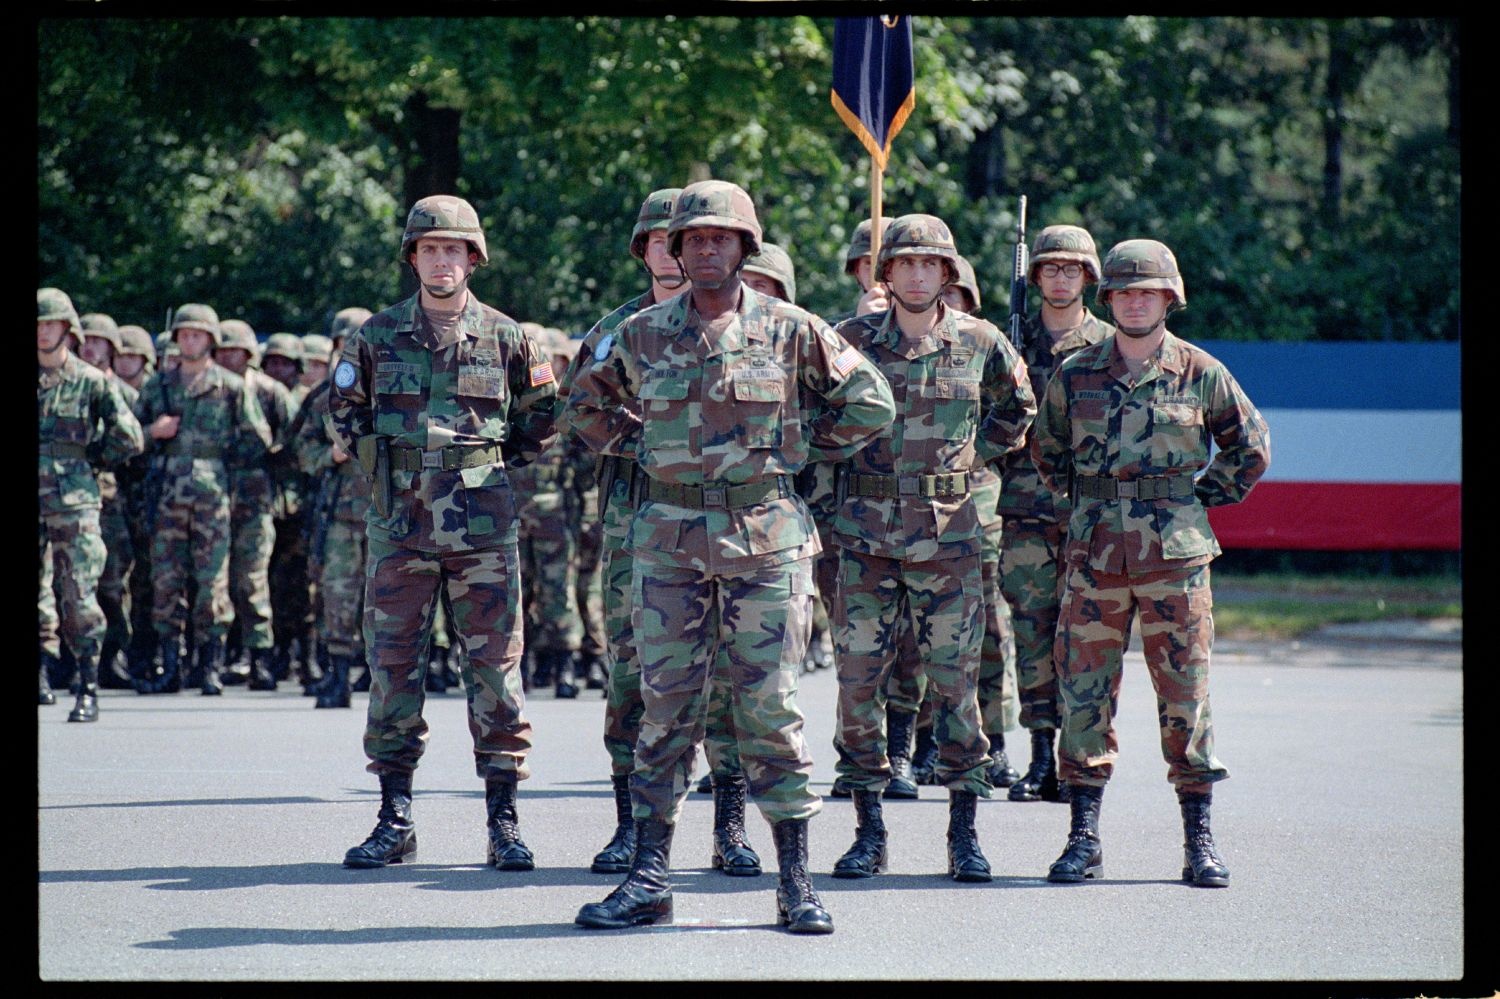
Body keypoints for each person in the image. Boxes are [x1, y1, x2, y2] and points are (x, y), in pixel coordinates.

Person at [569, 179, 895, 934]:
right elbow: (580, 408)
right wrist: (642, 448)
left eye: (722, 237)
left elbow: (871, 400)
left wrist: (800, 448)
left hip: (766, 540)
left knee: (770, 711)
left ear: (746, 248)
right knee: (665, 709)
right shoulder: (644, 334)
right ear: (676, 251)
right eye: (694, 238)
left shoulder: (791, 328)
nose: (707, 248)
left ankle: (795, 884)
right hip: (669, 541)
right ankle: (649, 877)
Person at [1031, 238, 1270, 888]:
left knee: (1185, 695)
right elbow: (1046, 448)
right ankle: (1083, 838)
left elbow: (1250, 447)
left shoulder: (1201, 372)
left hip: (1175, 560)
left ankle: (1199, 840)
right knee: (1083, 694)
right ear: (1108, 298)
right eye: (1125, 290)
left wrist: (1192, 501)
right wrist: (1089, 502)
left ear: (1170, 298)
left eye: (1149, 291)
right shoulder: (1076, 372)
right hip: (1094, 556)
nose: (1137, 300)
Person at [329, 195, 558, 871]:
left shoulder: (510, 337)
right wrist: (386, 470)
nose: (442, 260)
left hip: (482, 529)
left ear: (472, 258)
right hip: (399, 527)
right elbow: (342, 414)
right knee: (393, 668)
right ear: (413, 258)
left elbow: (542, 417)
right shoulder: (373, 337)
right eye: (430, 249)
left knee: (494, 674)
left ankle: (504, 820)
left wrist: (491, 465)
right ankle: (394, 817)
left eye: (453, 249)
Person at [825, 215, 1035, 884]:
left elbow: (1018, 406)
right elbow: (812, 412)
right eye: (905, 262)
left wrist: (974, 457)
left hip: (949, 542)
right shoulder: (850, 340)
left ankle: (964, 835)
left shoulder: (980, 340)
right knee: (859, 690)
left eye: (931, 263)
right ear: (884, 271)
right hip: (864, 540)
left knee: (955, 690)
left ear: (949, 273)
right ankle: (868, 831)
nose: (918, 273)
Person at [999, 224, 1116, 804]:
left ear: (1089, 279)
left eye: (1073, 269)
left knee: (1087, 638)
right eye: (1051, 268)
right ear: (1035, 276)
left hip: (1086, 513)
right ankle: (1040, 753)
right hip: (1023, 510)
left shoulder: (1111, 346)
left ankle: (1081, 756)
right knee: (1032, 632)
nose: (1062, 278)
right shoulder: (1006, 341)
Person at [133, 303, 273, 695]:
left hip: (213, 503)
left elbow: (258, 439)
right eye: (184, 334)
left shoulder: (230, 386)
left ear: (210, 340)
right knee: (166, 583)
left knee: (212, 585)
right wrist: (153, 433)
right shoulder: (158, 386)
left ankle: (209, 666)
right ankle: (170, 665)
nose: (189, 340)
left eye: (197, 334)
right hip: (166, 499)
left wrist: (225, 463)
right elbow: (127, 440)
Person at [38, 289, 145, 719]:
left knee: (79, 591)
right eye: (38, 324)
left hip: (74, 499)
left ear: (67, 329)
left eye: (50, 324)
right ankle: (43, 674)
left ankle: (87, 683)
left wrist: (91, 460)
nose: (43, 331)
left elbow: (130, 437)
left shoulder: (91, 380)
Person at [215, 318, 299, 690]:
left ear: (249, 354)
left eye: (237, 350)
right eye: (224, 350)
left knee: (252, 580)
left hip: (257, 498)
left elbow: (294, 442)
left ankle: (260, 656)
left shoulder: (270, 393)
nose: (230, 356)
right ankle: (220, 656)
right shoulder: (209, 388)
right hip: (213, 496)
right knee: (215, 581)